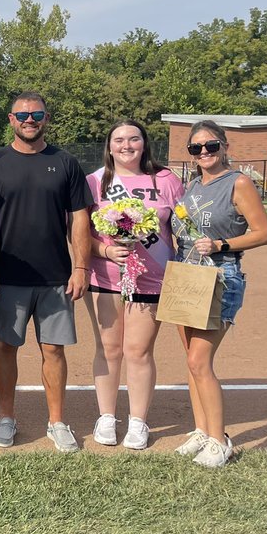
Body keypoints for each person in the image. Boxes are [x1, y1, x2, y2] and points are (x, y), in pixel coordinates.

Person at [0, 93, 94, 453]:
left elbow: (80, 219)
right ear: (10, 119)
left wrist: (81, 266)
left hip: (56, 277)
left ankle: (56, 422)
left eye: (36, 114)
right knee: (6, 345)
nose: (29, 119)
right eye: (22, 114)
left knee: (54, 350)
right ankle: (6, 417)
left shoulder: (65, 162)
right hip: (7, 276)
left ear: (46, 118)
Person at [173, 120, 267, 467]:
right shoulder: (193, 184)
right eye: (196, 148)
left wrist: (221, 243)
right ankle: (201, 430)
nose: (203, 153)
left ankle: (219, 440)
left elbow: (263, 232)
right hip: (186, 274)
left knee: (200, 360)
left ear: (224, 146)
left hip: (220, 274)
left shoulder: (238, 182)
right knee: (190, 361)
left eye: (210, 146)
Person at [85, 121, 185, 451]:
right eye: (119, 140)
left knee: (138, 351)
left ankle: (138, 421)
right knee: (109, 349)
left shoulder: (167, 179)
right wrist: (105, 250)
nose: (126, 145)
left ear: (144, 143)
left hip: (153, 277)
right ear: (109, 146)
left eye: (134, 138)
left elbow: (184, 229)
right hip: (105, 277)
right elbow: (79, 233)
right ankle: (107, 417)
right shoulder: (95, 181)